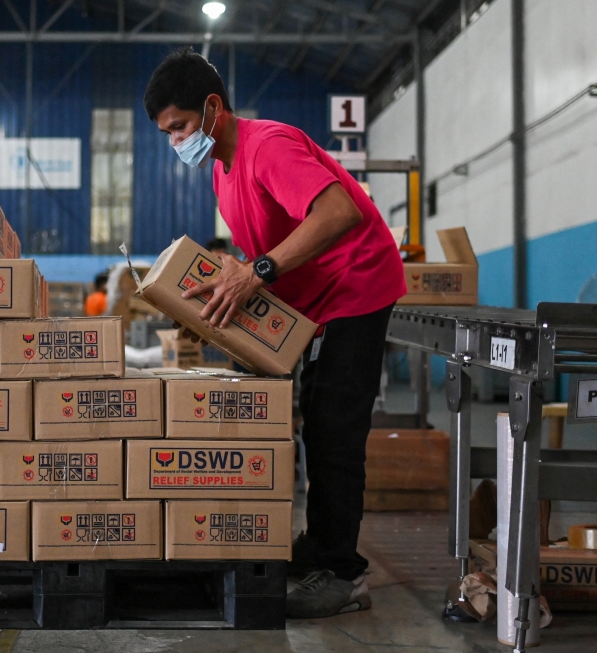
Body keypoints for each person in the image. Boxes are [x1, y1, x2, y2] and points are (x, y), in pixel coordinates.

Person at [144, 49, 406, 619]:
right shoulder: (222, 168)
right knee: (309, 413)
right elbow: (261, 246)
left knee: (335, 424)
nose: (176, 142)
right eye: (167, 135)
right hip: (314, 295)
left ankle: (342, 575)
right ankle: (317, 545)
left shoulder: (268, 146)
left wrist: (256, 272)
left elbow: (340, 214)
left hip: (356, 281)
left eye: (180, 127)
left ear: (213, 108)